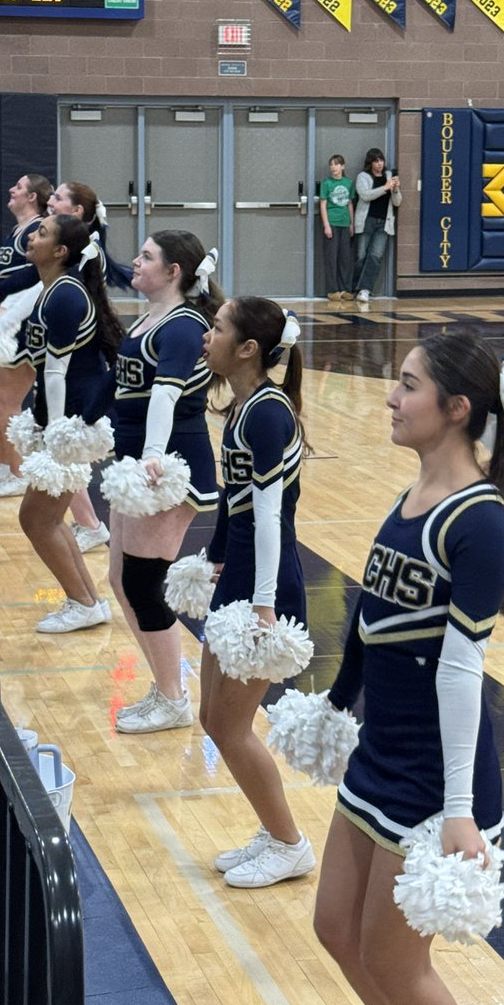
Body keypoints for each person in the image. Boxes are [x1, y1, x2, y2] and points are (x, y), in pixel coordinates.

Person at [313, 331, 504, 1005]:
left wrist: (460, 811)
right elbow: (368, 615)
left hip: (437, 783)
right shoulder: (413, 492)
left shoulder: (480, 522)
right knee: (336, 931)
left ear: (457, 408)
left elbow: (460, 667)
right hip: (380, 755)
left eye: (408, 384)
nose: (391, 396)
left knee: (393, 959)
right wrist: (334, 702)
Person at [199, 297, 316, 888]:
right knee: (212, 718)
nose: (206, 336)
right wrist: (215, 556)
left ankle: (291, 842)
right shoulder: (241, 406)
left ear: (248, 349)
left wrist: (263, 606)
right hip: (239, 575)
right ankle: (273, 834)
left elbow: (270, 517)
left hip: (265, 585)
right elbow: (233, 499)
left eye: (217, 329)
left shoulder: (267, 412)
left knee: (234, 726)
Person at [109, 230, 223, 734]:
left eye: (147, 256)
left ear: (174, 271)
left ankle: (174, 698)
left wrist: (152, 453)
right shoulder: (150, 316)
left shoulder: (182, 326)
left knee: (142, 582)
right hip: (137, 465)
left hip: (169, 467)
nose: (136, 261)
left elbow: (165, 397)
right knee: (119, 578)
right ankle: (164, 685)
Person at [19, 214, 124, 633]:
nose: (32, 235)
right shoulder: (53, 289)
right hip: (61, 419)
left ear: (61, 252)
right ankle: (87, 602)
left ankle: (83, 602)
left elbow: (57, 373)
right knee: (45, 518)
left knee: (36, 519)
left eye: (42, 233)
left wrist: (55, 437)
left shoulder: (64, 296)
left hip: (70, 423)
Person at [47, 180, 126, 552]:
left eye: (59, 199)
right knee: (61, 451)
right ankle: (89, 522)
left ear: (77, 212)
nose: (51, 201)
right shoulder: (71, 260)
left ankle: (91, 524)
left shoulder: (80, 265)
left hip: (80, 370)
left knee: (65, 451)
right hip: (74, 366)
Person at [0, 174, 52, 497]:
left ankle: (19, 471)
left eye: (18, 187)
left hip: (22, 323)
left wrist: (8, 313)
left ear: (32, 197)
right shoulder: (17, 231)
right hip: (2, 316)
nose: (11, 190)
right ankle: (3, 462)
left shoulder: (37, 230)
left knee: (5, 399)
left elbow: (37, 279)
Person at [352, 147, 401, 308]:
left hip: (383, 222)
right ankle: (354, 287)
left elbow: (397, 202)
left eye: (381, 160)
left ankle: (365, 289)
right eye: (376, 161)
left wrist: (395, 189)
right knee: (360, 255)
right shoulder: (363, 176)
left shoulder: (389, 176)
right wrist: (385, 188)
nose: (379, 164)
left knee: (376, 256)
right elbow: (365, 195)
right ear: (370, 163)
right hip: (366, 220)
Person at [319, 154, 355, 301]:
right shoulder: (326, 183)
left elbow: (350, 204)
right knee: (331, 257)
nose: (334, 167)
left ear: (343, 166)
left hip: (345, 223)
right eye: (332, 164)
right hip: (332, 223)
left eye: (337, 164)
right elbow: (323, 204)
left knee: (345, 258)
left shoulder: (349, 182)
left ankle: (345, 288)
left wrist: (352, 223)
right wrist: (326, 225)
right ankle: (332, 290)